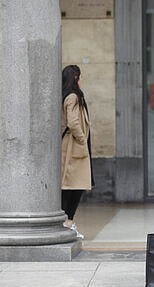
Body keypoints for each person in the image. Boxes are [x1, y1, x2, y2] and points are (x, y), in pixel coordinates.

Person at [61, 65, 94, 239]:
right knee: (74, 186)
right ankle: (68, 221)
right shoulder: (73, 96)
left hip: (73, 145)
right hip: (74, 146)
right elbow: (73, 122)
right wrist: (81, 139)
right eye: (80, 76)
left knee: (73, 185)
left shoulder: (68, 95)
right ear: (75, 78)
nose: (82, 80)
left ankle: (67, 221)